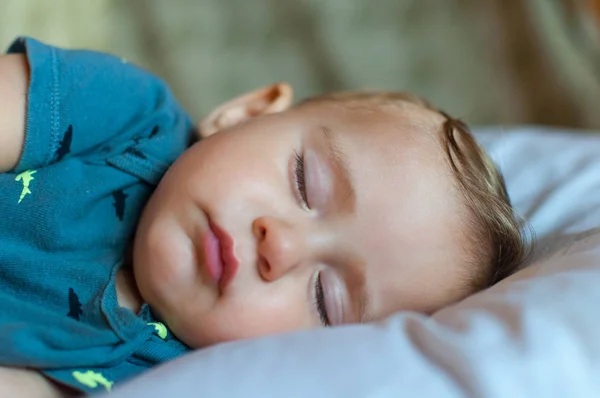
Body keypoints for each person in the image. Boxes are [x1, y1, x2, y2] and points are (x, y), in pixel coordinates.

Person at [0, 37, 528, 395]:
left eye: (326, 298)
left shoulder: (170, 378)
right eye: (305, 182)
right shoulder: (127, 117)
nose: (281, 247)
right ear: (245, 114)